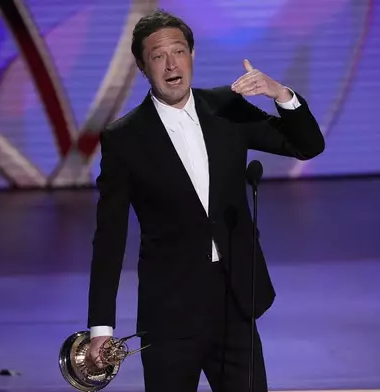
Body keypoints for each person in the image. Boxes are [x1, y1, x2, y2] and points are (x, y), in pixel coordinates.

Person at [85, 9, 324, 392]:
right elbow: (109, 236)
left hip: (235, 300)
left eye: (178, 52)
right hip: (169, 312)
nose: (171, 64)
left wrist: (280, 94)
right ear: (142, 68)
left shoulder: (226, 108)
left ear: (192, 55)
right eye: (158, 56)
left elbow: (307, 145)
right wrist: (101, 327)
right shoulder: (124, 138)